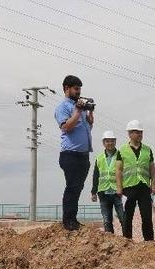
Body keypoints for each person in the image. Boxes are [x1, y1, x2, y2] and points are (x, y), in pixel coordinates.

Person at [54, 75, 94, 231]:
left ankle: (73, 219)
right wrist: (78, 110)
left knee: (78, 187)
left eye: (80, 89)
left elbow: (86, 129)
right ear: (66, 88)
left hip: (83, 155)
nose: (78, 92)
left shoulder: (80, 109)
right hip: (70, 154)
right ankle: (68, 221)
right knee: (72, 186)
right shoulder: (63, 107)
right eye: (76, 89)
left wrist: (90, 115)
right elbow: (66, 127)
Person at [116, 120, 155, 241]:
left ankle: (149, 242)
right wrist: (119, 187)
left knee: (147, 216)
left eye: (141, 132)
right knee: (128, 217)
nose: (139, 134)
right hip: (129, 188)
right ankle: (127, 241)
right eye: (136, 132)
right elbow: (118, 170)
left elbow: (152, 169)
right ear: (130, 134)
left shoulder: (147, 150)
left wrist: (153, 183)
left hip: (144, 187)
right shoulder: (122, 150)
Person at [91, 130, 124, 233]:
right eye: (107, 141)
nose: (110, 143)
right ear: (103, 143)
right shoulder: (99, 158)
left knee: (123, 218)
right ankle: (110, 241)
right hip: (103, 192)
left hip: (118, 191)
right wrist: (93, 192)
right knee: (107, 220)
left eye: (112, 141)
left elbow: (126, 173)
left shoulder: (121, 155)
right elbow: (96, 175)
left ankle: (128, 240)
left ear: (115, 142)